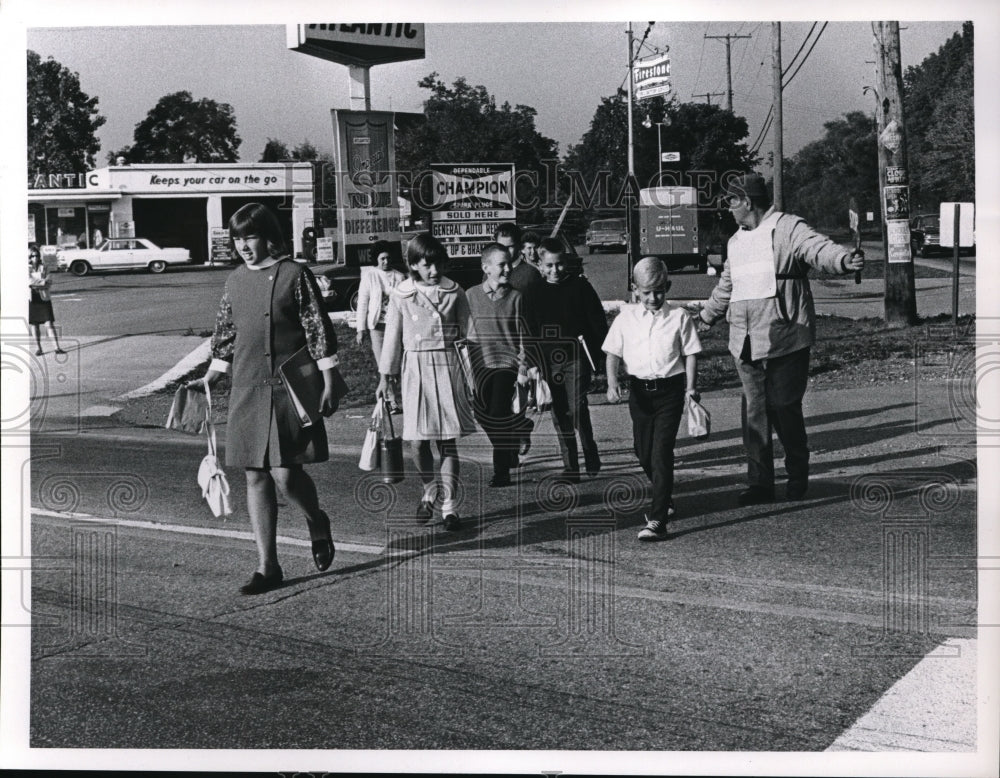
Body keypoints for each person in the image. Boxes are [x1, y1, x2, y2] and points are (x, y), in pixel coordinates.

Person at [190, 203, 339, 595]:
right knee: (255, 474)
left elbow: (317, 327)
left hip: (288, 388)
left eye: (250, 237)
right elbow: (225, 334)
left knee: (287, 474)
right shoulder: (235, 280)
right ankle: (267, 567)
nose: (243, 246)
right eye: (237, 239)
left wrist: (329, 378)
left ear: (269, 236)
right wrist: (211, 376)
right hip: (247, 386)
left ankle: (316, 520)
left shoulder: (295, 274)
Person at [688, 174, 865, 505]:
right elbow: (727, 285)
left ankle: (797, 474)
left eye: (731, 202)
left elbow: (818, 248)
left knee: (784, 407)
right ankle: (760, 484)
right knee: (754, 414)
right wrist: (706, 316)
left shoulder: (788, 227)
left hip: (786, 334)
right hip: (744, 339)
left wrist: (842, 260)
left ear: (747, 202)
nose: (728, 208)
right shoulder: (735, 241)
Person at [376, 233, 476, 530]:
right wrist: (385, 378)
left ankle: (450, 507)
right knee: (417, 441)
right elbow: (392, 337)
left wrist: (473, 375)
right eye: (426, 265)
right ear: (413, 265)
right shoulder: (401, 294)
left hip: (447, 366)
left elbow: (469, 336)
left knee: (447, 441)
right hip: (415, 369)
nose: (434, 271)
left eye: (437, 264)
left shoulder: (454, 292)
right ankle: (429, 489)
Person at [604, 258, 702, 541]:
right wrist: (612, 383)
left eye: (659, 291)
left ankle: (658, 519)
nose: (653, 298)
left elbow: (690, 353)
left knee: (661, 453)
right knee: (643, 451)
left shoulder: (679, 317)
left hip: (670, 391)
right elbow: (612, 353)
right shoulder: (626, 318)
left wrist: (691, 388)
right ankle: (664, 492)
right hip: (640, 392)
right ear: (635, 289)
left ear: (667, 287)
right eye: (646, 292)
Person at [525, 237, 608, 482]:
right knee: (559, 412)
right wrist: (532, 363)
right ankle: (571, 467)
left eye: (559, 264)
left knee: (577, 407)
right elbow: (528, 331)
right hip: (548, 361)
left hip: (576, 357)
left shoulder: (580, 287)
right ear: (540, 265)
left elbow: (597, 322)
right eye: (549, 265)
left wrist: (599, 354)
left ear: (566, 262)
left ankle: (590, 450)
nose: (555, 270)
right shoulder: (533, 292)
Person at [466, 243, 530, 487]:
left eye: (509, 264)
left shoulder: (516, 297)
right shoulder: (471, 295)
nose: (508, 269)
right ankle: (515, 436)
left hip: (506, 364)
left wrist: (523, 367)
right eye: (501, 264)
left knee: (497, 415)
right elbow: (464, 331)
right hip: (480, 365)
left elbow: (523, 336)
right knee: (481, 415)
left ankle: (501, 472)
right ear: (486, 268)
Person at [355, 239, 405, 412]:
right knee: (382, 363)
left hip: (395, 325)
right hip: (376, 326)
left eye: (388, 258)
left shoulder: (400, 277)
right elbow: (362, 302)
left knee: (393, 361)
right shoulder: (370, 275)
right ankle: (392, 400)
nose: (386, 261)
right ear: (376, 259)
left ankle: (394, 397)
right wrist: (360, 329)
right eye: (382, 258)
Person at [28, 246, 66, 357]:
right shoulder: (25, 268)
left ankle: (57, 347)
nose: (35, 258)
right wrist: (42, 282)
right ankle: (38, 348)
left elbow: (49, 281)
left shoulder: (44, 267)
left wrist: (37, 283)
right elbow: (28, 281)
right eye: (32, 256)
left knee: (49, 323)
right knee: (34, 324)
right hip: (31, 299)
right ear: (29, 257)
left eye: (37, 255)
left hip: (43, 297)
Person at [495, 222, 541, 293]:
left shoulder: (531, 274)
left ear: (519, 246)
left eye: (510, 247)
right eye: (500, 246)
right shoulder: (489, 272)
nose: (504, 250)